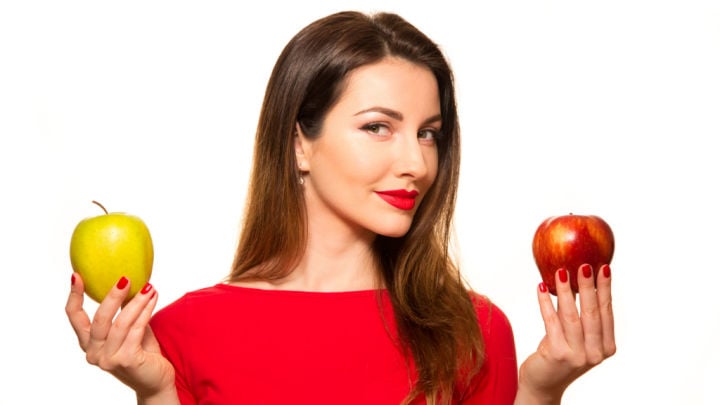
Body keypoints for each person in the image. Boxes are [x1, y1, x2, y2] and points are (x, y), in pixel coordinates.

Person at [66, 10, 615, 405]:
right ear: (299, 142)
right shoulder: (185, 333)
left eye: (428, 134)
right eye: (379, 127)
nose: (417, 164)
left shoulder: (473, 331)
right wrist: (157, 391)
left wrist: (542, 390)